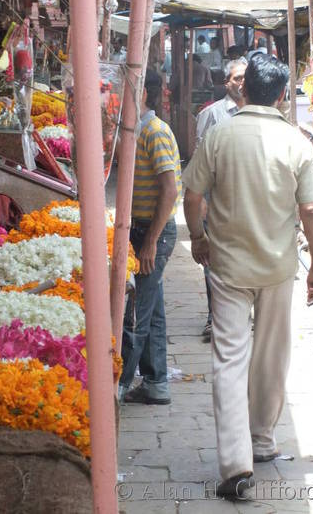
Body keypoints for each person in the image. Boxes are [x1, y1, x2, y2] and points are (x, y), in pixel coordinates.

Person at [182, 54, 313, 499]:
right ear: (283, 95)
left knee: (229, 357)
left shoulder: (220, 135)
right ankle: (262, 439)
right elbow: (308, 212)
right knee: (271, 355)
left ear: (244, 90)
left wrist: (197, 238)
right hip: (279, 267)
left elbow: (191, 196)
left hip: (226, 265)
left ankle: (236, 465)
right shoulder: (296, 141)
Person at [119, 69, 182, 405]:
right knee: (152, 309)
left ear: (142, 93)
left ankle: (117, 386)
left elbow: (170, 190)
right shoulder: (138, 131)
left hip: (153, 232)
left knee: (135, 314)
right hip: (144, 229)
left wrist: (151, 241)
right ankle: (156, 382)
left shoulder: (155, 132)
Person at [194, 58, 247, 340]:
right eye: (237, 78)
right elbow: (199, 163)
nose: (241, 83)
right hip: (216, 202)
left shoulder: (258, 113)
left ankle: (239, 317)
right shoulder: (212, 115)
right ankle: (215, 318)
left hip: (249, 204)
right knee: (214, 262)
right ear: (226, 82)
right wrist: (201, 201)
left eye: (245, 78)